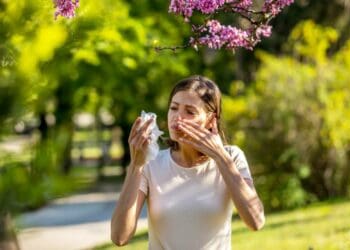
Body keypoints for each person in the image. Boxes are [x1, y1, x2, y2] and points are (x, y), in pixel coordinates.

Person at [111, 75, 265, 249]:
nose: (177, 117)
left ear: (210, 119)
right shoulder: (151, 164)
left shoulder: (232, 157)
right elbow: (119, 236)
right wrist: (135, 165)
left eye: (189, 111)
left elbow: (256, 221)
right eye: (174, 108)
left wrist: (220, 156)